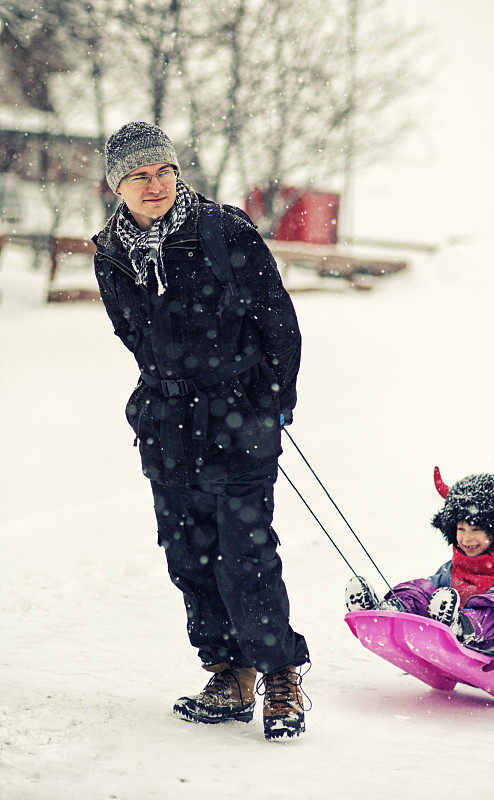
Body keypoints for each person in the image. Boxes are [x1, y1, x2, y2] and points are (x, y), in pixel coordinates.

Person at [93, 121, 309, 740]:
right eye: (138, 175)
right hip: (168, 423)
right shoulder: (112, 254)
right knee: (188, 551)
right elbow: (134, 337)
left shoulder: (221, 229)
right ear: (119, 187)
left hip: (239, 416)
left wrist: (273, 398)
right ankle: (227, 672)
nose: (155, 184)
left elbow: (277, 318)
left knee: (245, 553)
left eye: (163, 170)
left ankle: (280, 677)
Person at [346, 461, 494, 673]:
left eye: (476, 530)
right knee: (426, 587)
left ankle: (463, 626)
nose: (467, 539)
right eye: (461, 529)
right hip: (453, 646)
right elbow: (429, 593)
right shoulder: (455, 566)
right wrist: (414, 598)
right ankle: (390, 610)